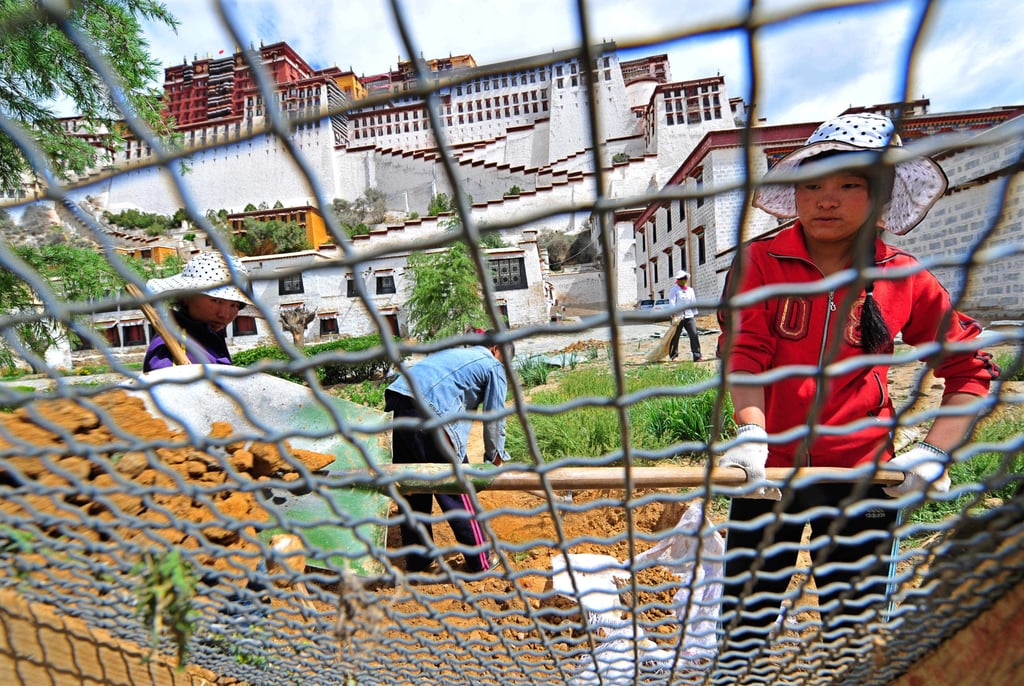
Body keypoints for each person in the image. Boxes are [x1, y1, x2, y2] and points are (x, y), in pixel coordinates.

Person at [714, 113, 999, 655]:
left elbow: (971, 370)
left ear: (881, 197)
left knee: (856, 630)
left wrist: (934, 454)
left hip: (862, 476)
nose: (827, 199)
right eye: (813, 185)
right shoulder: (760, 263)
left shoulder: (904, 276)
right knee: (744, 625)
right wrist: (752, 434)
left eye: (850, 184)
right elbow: (745, 355)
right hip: (766, 472)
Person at [384, 334, 513, 574]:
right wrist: (495, 459)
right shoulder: (492, 364)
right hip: (431, 412)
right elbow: (495, 419)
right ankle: (480, 561)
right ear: (496, 349)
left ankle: (419, 562)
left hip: (399, 403)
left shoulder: (455, 354)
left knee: (412, 487)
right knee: (456, 487)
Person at [143, 252, 253, 372]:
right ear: (187, 296)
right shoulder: (174, 345)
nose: (225, 315)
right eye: (216, 301)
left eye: (234, 305)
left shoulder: (208, 339)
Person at [668, 270, 702, 361]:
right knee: (675, 336)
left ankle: (697, 355)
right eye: (681, 279)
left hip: (689, 316)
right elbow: (672, 301)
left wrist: (695, 314)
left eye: (684, 278)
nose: (683, 280)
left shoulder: (690, 290)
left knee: (694, 335)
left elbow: (693, 302)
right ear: (677, 280)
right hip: (678, 317)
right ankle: (673, 355)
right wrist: (673, 312)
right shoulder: (674, 290)